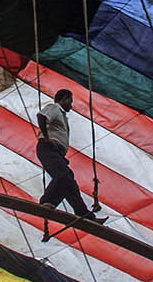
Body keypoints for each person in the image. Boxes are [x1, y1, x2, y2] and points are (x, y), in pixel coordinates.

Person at [36, 88, 105, 224]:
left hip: (57, 152)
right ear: (63, 99)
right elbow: (41, 116)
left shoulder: (62, 116)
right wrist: (47, 137)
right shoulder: (54, 108)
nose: (71, 105)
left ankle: (84, 215)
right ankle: (47, 202)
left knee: (69, 182)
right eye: (70, 101)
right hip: (48, 147)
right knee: (62, 175)